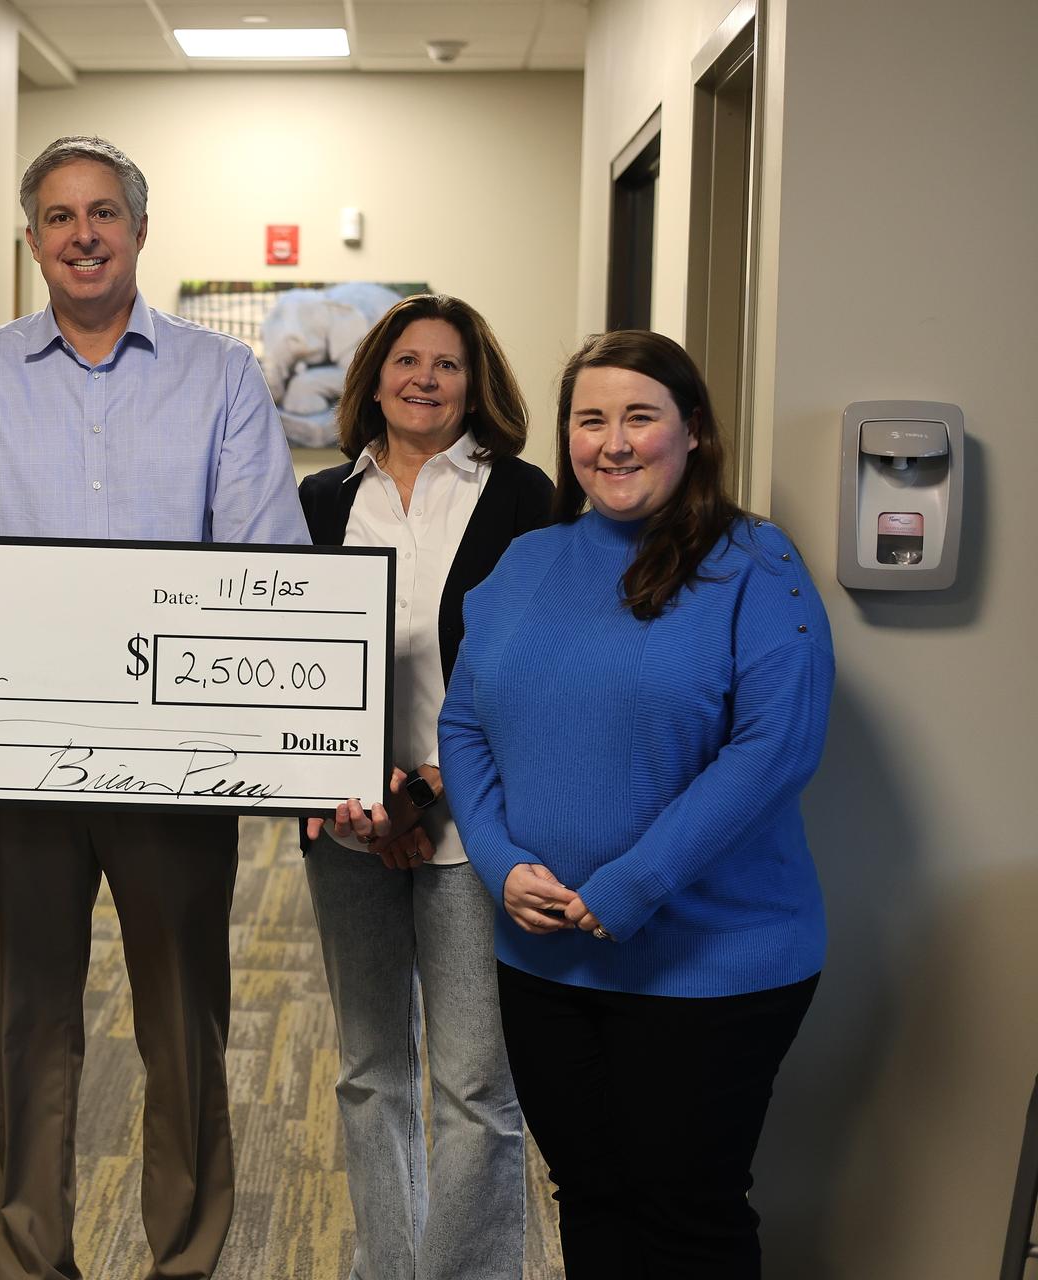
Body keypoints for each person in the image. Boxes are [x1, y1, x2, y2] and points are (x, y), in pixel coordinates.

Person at [0, 135, 307, 1280]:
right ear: (31, 238)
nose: (81, 233)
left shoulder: (220, 376)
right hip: (20, 764)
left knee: (183, 1026)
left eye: (103, 214)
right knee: (27, 1022)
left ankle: (183, 1256)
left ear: (138, 229)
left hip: (176, 766)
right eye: (58, 216)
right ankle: (28, 1259)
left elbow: (262, 562)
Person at [439, 330, 832, 1277]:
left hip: (711, 962)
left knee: (685, 1215)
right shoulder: (527, 565)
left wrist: (633, 884)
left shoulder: (755, 564)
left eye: (640, 417)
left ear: (692, 430)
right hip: (545, 960)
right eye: (591, 420)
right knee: (593, 1199)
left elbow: (775, 748)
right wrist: (498, 862)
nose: (613, 442)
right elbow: (465, 727)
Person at [299, 293, 551, 1279]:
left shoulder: (524, 497)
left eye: (447, 364)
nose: (425, 379)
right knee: (370, 1075)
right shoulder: (321, 501)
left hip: (474, 826)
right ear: (376, 374)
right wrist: (349, 788)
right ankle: (388, 1266)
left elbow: (538, 666)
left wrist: (433, 787)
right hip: (343, 819)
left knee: (476, 1085)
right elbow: (286, 664)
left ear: (474, 379)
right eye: (407, 359)